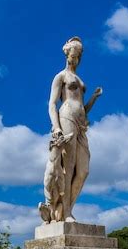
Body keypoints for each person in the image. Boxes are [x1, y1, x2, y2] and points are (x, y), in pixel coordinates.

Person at [44, 37, 102, 222]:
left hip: (81, 123)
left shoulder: (79, 79)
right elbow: (52, 104)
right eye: (72, 55)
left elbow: (83, 107)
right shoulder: (60, 76)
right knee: (67, 169)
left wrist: (93, 98)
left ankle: (65, 209)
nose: (75, 59)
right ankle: (66, 213)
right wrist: (56, 127)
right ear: (67, 54)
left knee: (83, 170)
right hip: (66, 116)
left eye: (78, 56)